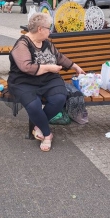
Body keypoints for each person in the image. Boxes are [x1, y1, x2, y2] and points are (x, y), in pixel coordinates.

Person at [8, 12, 85, 152]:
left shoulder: (46, 43)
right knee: (34, 105)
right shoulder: (22, 44)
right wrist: (49, 67)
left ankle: (39, 126)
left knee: (59, 98)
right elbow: (26, 67)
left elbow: (59, 57)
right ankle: (47, 134)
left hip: (48, 79)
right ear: (40, 29)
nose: (50, 31)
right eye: (49, 28)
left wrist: (75, 66)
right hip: (24, 81)